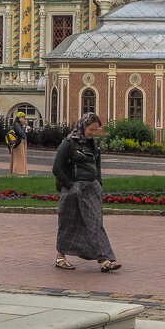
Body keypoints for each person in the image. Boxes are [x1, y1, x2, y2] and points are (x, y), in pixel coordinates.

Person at [52, 113, 120, 272]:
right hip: (73, 190)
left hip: (92, 189)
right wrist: (71, 185)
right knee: (68, 223)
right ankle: (60, 258)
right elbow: (57, 168)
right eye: (91, 129)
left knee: (95, 223)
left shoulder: (94, 144)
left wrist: (99, 183)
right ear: (83, 126)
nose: (93, 133)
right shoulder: (68, 143)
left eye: (96, 130)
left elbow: (97, 165)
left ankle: (104, 260)